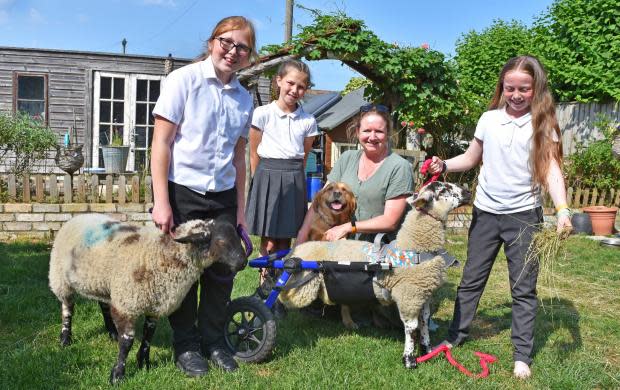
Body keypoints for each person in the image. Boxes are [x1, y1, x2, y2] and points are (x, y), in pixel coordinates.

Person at [428, 55, 573, 379]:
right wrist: (444, 166)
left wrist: (562, 210)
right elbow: (470, 157)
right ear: (502, 87)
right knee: (471, 280)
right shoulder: (488, 119)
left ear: (535, 88)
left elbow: (551, 169)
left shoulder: (543, 123)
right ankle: (456, 335)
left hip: (524, 216)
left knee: (523, 288)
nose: (517, 95)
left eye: (524, 88)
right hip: (486, 213)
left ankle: (522, 355)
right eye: (511, 88)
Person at [150, 16, 256, 376]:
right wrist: (162, 201)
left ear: (249, 55)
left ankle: (213, 341)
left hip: (223, 196)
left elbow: (241, 160)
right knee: (183, 272)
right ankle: (186, 345)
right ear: (212, 42)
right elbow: (161, 144)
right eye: (226, 41)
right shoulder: (183, 80)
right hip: (184, 193)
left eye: (242, 47)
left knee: (223, 272)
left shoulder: (244, 98)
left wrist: (241, 213)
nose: (233, 50)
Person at [297, 104, 414, 244]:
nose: (372, 137)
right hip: (342, 244)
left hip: (379, 247)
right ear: (358, 131)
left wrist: (348, 227)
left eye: (379, 131)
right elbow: (319, 202)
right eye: (367, 130)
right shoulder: (347, 158)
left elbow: (390, 221)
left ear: (387, 133)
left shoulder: (399, 167)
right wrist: (300, 240)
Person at [246, 59, 319, 258]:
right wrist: (259, 181)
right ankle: (264, 283)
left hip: (293, 178)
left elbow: (303, 157)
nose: (295, 90)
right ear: (279, 81)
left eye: (301, 86)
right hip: (266, 175)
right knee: (268, 240)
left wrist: (294, 178)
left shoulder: (308, 121)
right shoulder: (262, 114)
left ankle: (281, 284)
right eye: (290, 83)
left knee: (285, 239)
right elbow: (254, 153)